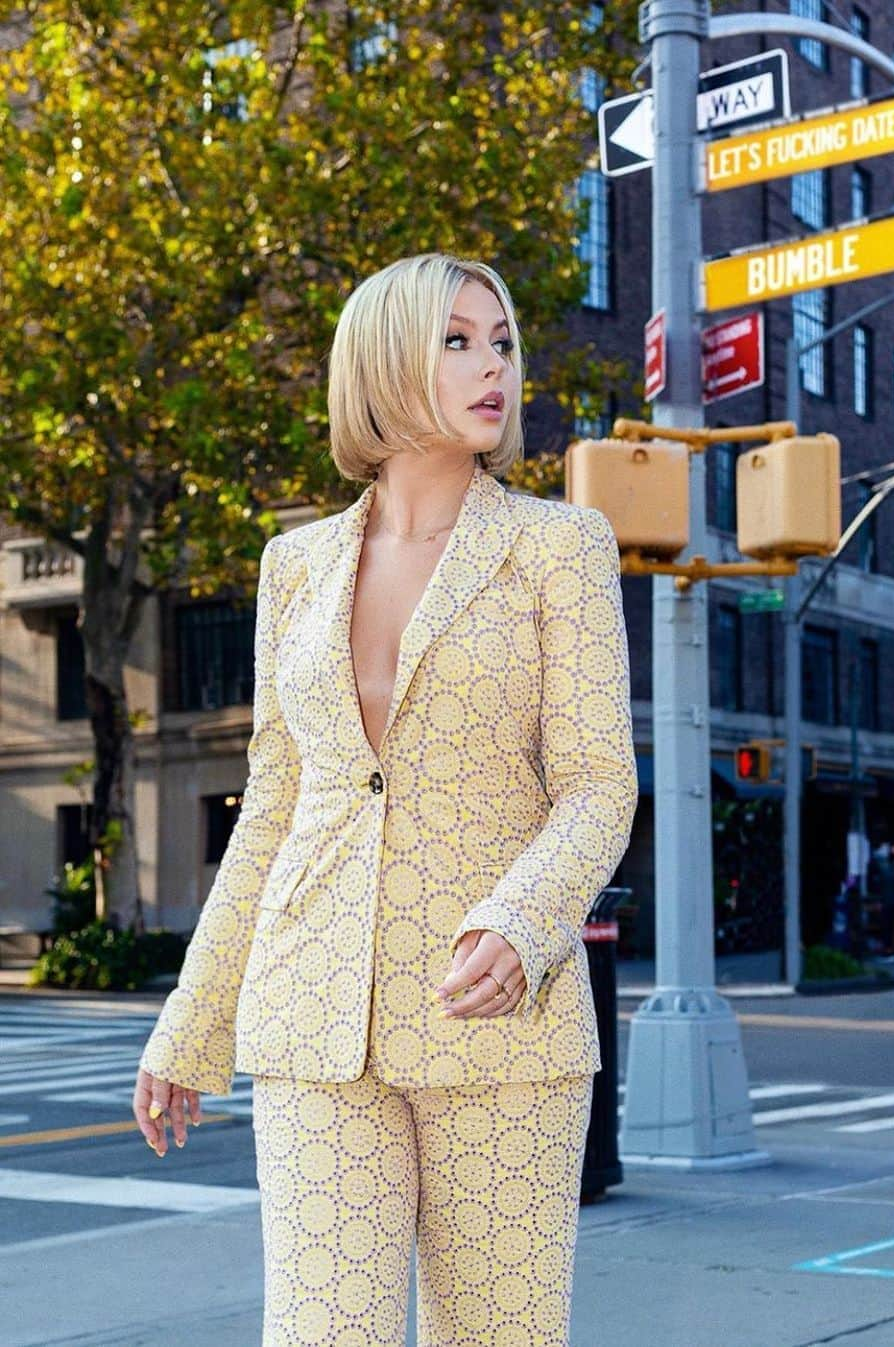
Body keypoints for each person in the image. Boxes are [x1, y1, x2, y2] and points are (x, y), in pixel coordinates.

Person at [131, 252, 638, 1347]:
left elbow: (600, 783)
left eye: (499, 341)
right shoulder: (296, 566)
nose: (491, 365)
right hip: (315, 1015)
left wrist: (525, 917)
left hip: (497, 1023)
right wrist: (192, 1021)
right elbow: (275, 804)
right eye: (455, 340)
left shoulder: (561, 547)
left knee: (496, 1339)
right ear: (383, 362)